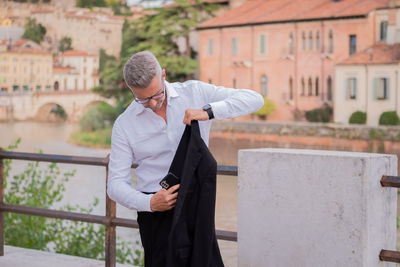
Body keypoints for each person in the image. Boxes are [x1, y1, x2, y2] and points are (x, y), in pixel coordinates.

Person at [106, 50, 263, 264]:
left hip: (197, 204)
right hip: (155, 213)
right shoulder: (124, 124)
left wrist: (209, 111)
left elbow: (254, 99)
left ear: (163, 75)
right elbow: (115, 185)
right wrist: (150, 202)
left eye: (156, 95)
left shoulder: (195, 92)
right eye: (143, 99)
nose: (152, 104)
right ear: (130, 89)